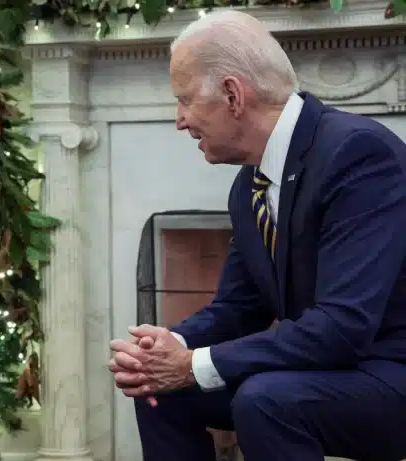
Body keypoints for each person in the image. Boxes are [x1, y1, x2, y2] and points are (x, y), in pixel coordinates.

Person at [108, 10, 406, 461]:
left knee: (264, 399)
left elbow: (342, 328)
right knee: (159, 389)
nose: (179, 120)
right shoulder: (250, 184)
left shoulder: (358, 154)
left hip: (388, 371)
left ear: (232, 95)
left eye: (185, 99)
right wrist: (166, 351)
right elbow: (238, 308)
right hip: (324, 369)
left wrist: (192, 366)